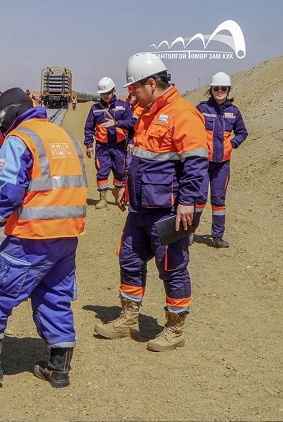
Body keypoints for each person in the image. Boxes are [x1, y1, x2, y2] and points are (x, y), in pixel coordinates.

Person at [0, 88, 87, 388]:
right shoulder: (63, 137)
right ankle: (59, 369)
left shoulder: (19, 139)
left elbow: (10, 192)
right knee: (54, 296)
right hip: (67, 236)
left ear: (7, 116)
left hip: (33, 236)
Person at [94, 53, 208, 352]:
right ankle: (129, 319)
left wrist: (188, 203)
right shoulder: (146, 112)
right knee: (129, 259)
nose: (130, 93)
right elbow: (141, 158)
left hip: (169, 210)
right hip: (140, 207)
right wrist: (124, 187)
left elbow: (196, 165)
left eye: (134, 88)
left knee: (172, 267)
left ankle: (175, 329)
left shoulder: (183, 114)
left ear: (151, 83)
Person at [192, 72, 248, 248]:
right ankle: (190, 232)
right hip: (202, 163)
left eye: (224, 88)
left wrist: (232, 144)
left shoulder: (234, 111)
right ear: (211, 90)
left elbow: (242, 132)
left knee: (218, 200)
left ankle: (217, 237)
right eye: (216, 88)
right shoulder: (201, 109)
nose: (220, 91)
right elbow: (190, 129)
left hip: (222, 165)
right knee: (198, 199)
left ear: (228, 89)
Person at [83, 76, 136, 209]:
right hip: (102, 147)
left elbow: (131, 124)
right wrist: (89, 145)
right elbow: (89, 128)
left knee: (120, 171)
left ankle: (118, 191)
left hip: (119, 146)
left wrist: (118, 126)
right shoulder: (95, 108)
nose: (106, 96)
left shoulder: (123, 106)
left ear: (114, 91)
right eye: (103, 94)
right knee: (102, 171)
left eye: (108, 93)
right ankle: (103, 198)